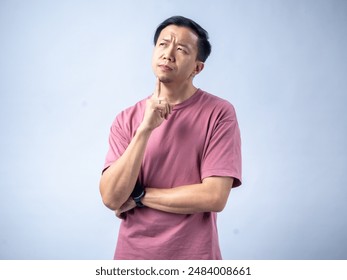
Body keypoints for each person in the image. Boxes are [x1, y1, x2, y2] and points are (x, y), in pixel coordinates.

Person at [99, 15, 242, 260]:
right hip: (132, 257)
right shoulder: (126, 119)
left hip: (195, 258)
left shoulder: (219, 113)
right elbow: (112, 198)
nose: (168, 54)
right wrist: (145, 129)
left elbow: (214, 196)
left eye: (181, 49)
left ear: (197, 67)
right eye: (163, 44)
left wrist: (140, 196)